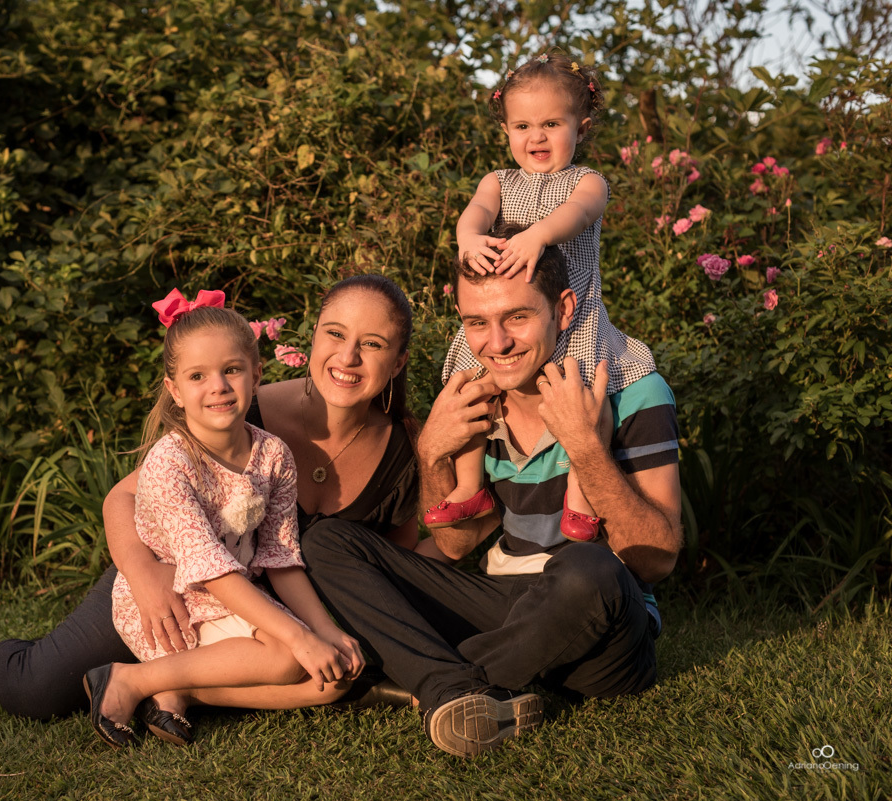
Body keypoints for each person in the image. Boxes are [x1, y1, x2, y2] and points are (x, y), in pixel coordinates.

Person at [0, 274, 426, 725]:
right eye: (335, 333)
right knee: (41, 690)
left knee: (313, 675)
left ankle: (171, 689)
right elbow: (123, 498)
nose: (348, 356)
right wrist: (144, 576)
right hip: (160, 581)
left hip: (245, 605)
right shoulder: (234, 409)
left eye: (373, 343)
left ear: (397, 361)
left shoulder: (347, 451)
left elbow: (387, 562)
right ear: (313, 338)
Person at [300, 239, 682, 758]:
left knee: (589, 567)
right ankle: (456, 687)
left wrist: (587, 447)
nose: (495, 343)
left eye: (517, 317)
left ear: (564, 309)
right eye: (477, 322)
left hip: (602, 624)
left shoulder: (634, 392)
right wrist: (434, 451)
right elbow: (458, 544)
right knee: (328, 541)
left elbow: (656, 559)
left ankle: (429, 681)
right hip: (507, 604)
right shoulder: (477, 397)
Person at [84, 288, 364, 749]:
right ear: (175, 390)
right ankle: (127, 681)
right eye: (198, 376)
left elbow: (281, 557)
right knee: (290, 659)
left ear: (256, 375)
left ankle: (177, 689)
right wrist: (298, 637)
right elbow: (208, 569)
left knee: (331, 681)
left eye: (232, 370)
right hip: (173, 605)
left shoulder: (274, 454)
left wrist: (326, 630)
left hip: (236, 598)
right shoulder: (171, 462)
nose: (218, 386)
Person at [424, 51, 657, 540]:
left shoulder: (587, 182)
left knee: (590, 396)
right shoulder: (498, 182)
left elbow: (577, 213)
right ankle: (469, 486)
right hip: (510, 313)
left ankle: (581, 495)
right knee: (469, 393)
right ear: (506, 130)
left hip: (574, 317)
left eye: (552, 123)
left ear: (582, 125)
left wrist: (538, 235)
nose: (536, 137)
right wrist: (468, 238)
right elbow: (474, 214)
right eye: (523, 125)